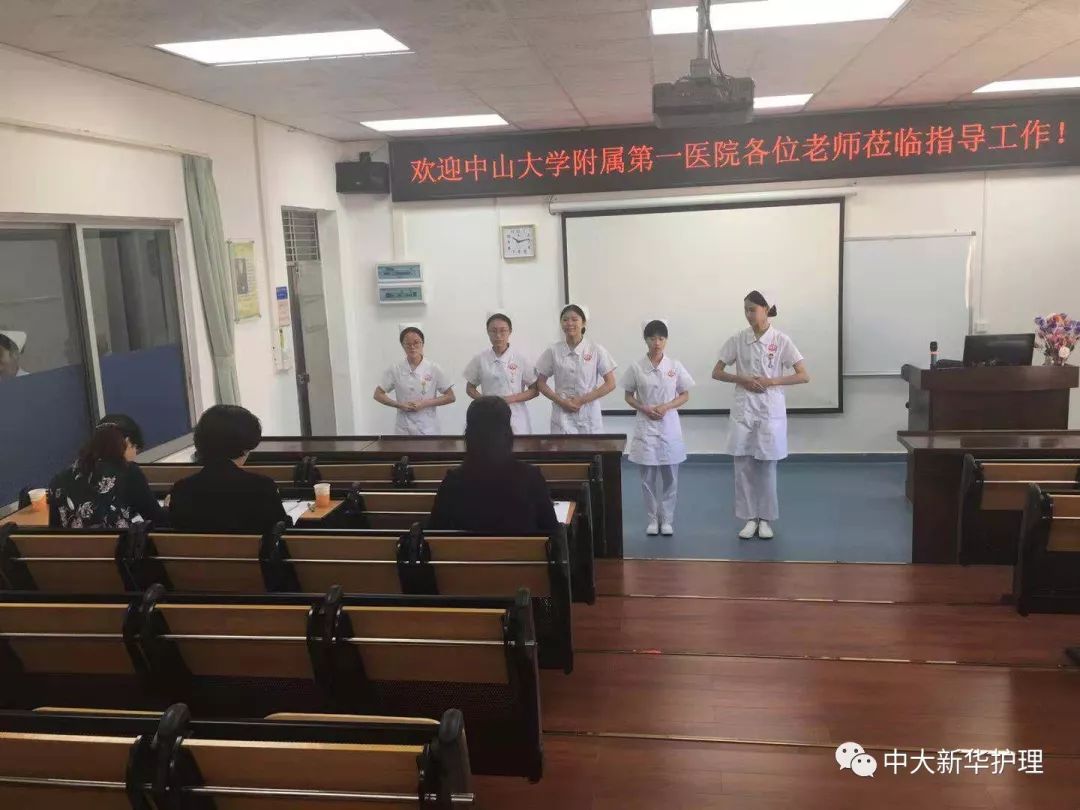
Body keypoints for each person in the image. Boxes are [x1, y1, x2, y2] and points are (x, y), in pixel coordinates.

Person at [712, 291, 809, 540]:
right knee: (743, 464)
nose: (748, 314)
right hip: (744, 409)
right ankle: (749, 518)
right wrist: (742, 379)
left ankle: (765, 519)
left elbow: (803, 375)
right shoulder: (738, 339)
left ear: (766, 309)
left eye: (752, 309)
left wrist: (771, 380)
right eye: (745, 309)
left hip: (769, 410)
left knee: (767, 465)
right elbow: (717, 372)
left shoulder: (781, 340)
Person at [428, 396, 558, 534]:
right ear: (507, 433)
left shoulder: (452, 482)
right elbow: (552, 530)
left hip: (467, 549)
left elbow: (434, 534)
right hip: (521, 549)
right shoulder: (530, 478)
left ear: (469, 435)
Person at [169, 405, 290, 534]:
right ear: (246, 446)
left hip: (198, 548)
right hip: (249, 548)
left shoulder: (182, 489)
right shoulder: (262, 487)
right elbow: (282, 532)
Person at [623, 320, 694, 536]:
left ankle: (668, 519)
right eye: (652, 338)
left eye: (661, 338)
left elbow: (685, 394)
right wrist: (643, 407)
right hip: (646, 425)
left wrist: (667, 406)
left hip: (668, 424)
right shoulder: (636, 367)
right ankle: (653, 519)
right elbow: (628, 396)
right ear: (645, 340)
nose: (657, 343)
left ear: (666, 340)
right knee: (647, 478)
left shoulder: (675, 366)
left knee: (671, 476)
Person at [49, 414, 168, 529]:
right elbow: (158, 520)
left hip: (70, 543)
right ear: (127, 442)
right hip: (116, 543)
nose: (135, 455)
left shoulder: (59, 479)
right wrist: (169, 506)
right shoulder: (129, 473)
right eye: (135, 448)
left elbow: (54, 529)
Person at [535, 304, 616, 434]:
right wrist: (561, 401)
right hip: (561, 414)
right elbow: (540, 383)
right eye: (565, 320)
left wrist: (582, 400)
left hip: (588, 414)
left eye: (574, 319)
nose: (569, 323)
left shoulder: (595, 349)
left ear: (583, 323)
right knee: (562, 447)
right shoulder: (553, 350)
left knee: (589, 447)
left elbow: (610, 383)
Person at [463, 313, 538, 435]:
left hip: (515, 416)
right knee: (489, 443)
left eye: (503, 331)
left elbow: (534, 390)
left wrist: (510, 399)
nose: (498, 336)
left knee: (517, 445)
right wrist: (486, 401)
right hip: (488, 414)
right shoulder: (480, 358)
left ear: (510, 331)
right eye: (493, 331)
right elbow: (470, 388)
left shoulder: (521, 358)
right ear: (487, 332)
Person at [374, 327, 455, 435]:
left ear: (422, 344)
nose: (412, 347)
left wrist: (424, 403)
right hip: (403, 428)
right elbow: (378, 394)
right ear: (402, 345)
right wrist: (399, 405)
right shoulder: (395, 369)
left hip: (428, 428)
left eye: (416, 343)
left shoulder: (434, 368)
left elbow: (450, 397)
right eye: (408, 344)